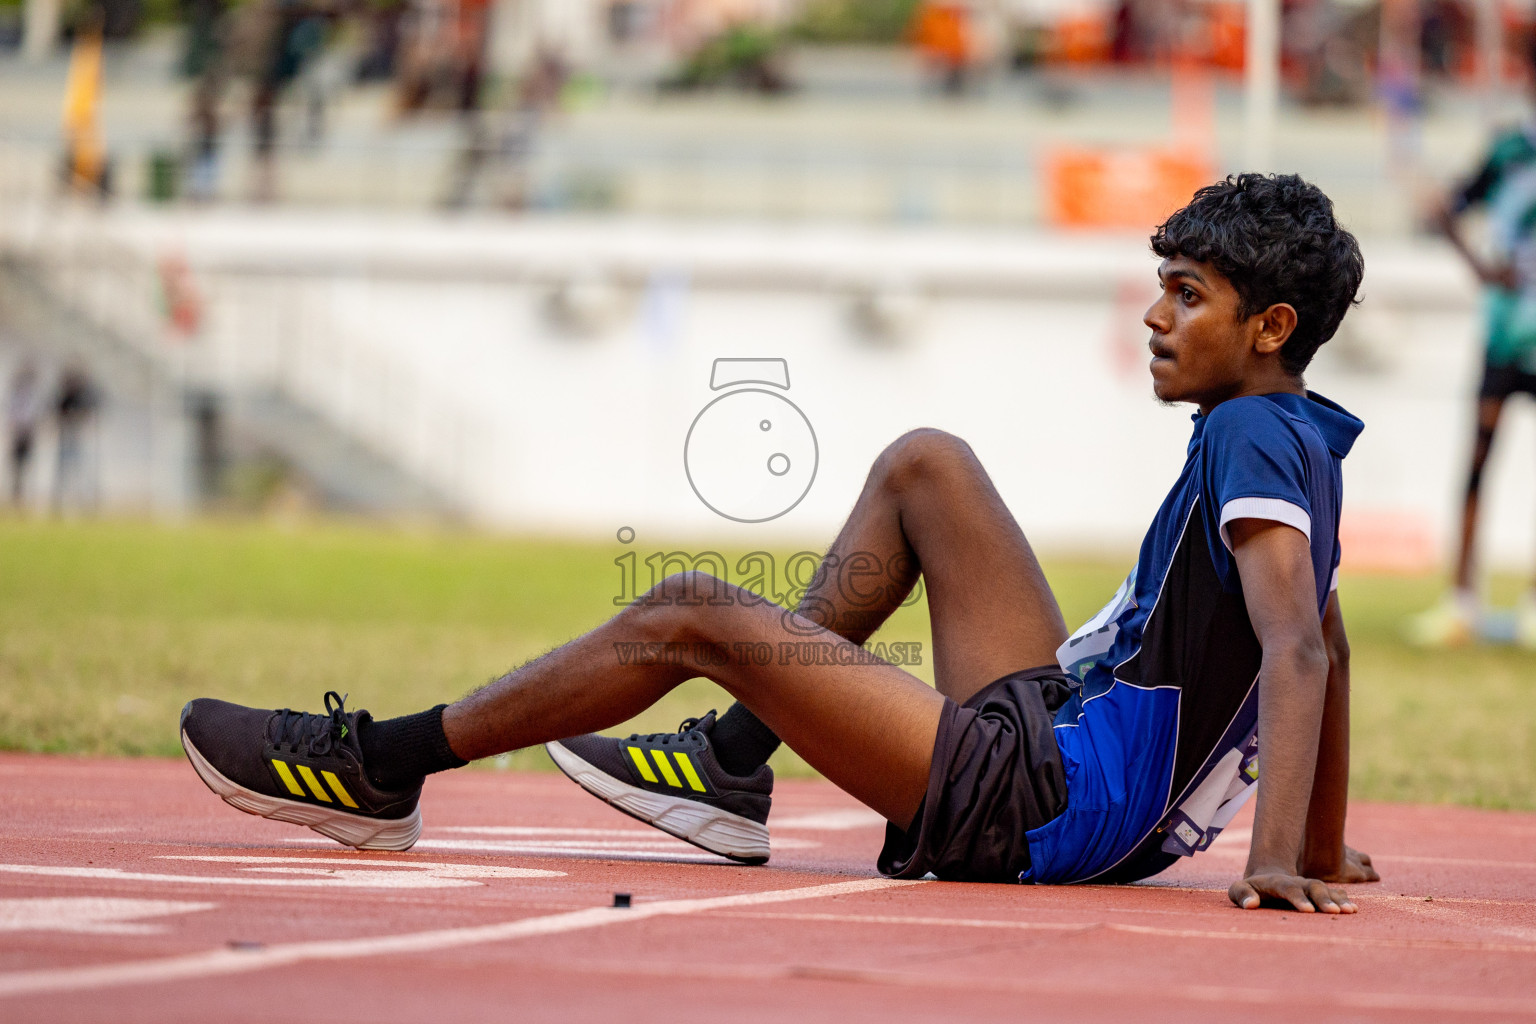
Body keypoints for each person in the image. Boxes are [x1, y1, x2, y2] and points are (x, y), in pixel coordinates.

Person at [179, 174, 1381, 912]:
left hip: (1050, 801)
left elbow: (1299, 650)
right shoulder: (1295, 437)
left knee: (693, 607)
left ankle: (381, 765)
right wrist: (1320, 843)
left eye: (1187, 295)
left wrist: (1275, 860)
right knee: (930, 465)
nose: (1154, 314)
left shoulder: (1251, 438)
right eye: (1161, 285)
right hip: (1059, 737)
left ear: (1270, 325)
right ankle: (732, 761)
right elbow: (1325, 631)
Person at [1410, 71, 1536, 648]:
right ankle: (1462, 601)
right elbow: (1445, 211)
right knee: (1479, 465)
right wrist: (1482, 268)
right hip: (1506, 336)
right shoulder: (1510, 151)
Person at [6, 359, 42, 505]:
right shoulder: (15, 394)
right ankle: (15, 496)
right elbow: (11, 412)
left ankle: (25, 496)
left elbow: (35, 413)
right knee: (15, 466)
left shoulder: (33, 394)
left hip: (28, 434)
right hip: (18, 433)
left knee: (27, 465)